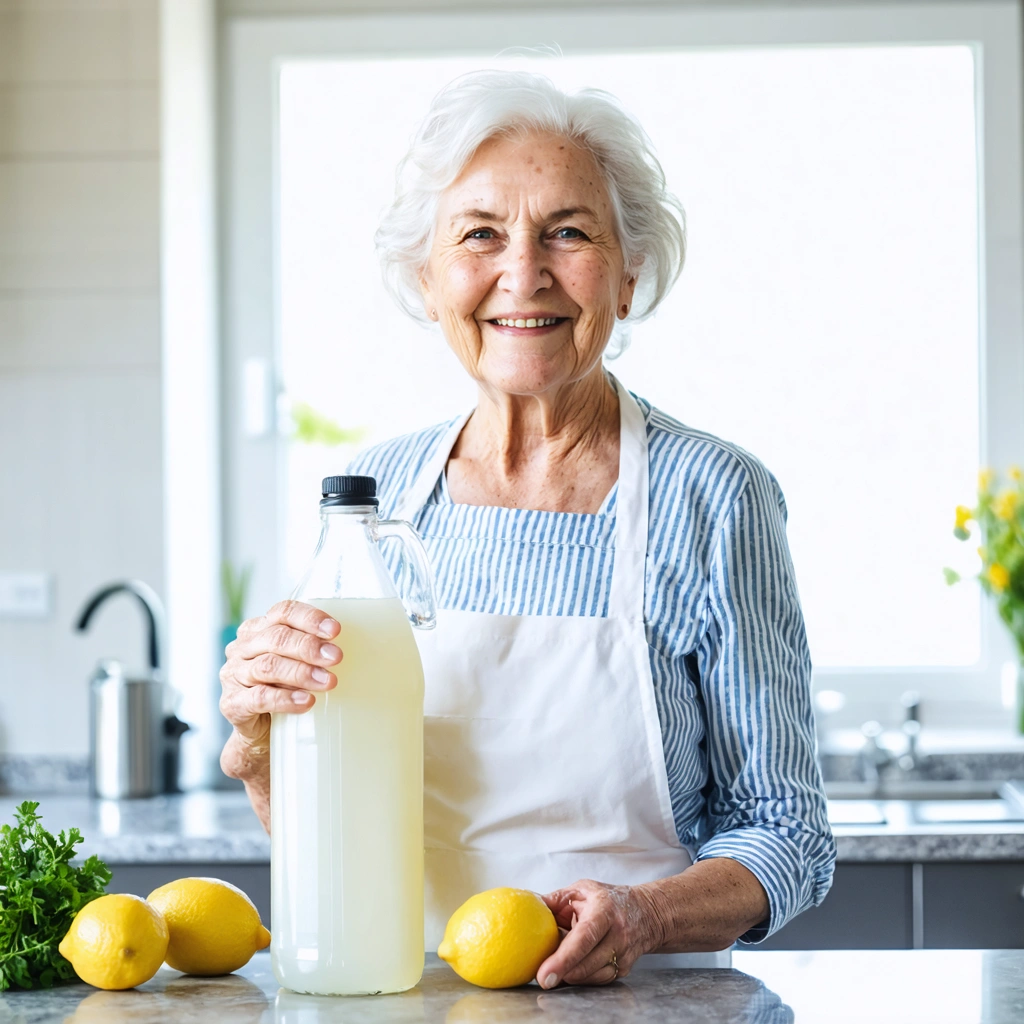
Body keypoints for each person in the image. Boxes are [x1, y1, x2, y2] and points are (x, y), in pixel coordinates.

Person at [220, 69, 835, 988]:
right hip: (407, 995)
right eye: (479, 234)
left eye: (569, 233)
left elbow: (789, 835)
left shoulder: (715, 495)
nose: (523, 274)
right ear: (428, 282)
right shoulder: (375, 501)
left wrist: (646, 915)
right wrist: (263, 753)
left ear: (627, 277)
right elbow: (340, 825)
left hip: (645, 1002)